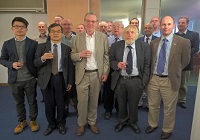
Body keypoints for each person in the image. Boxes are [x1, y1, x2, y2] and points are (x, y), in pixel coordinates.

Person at [146, 16, 191, 139]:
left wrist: (174, 71)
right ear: (160, 26)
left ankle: (167, 129)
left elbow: (186, 60)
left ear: (173, 25)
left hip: (170, 80)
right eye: (163, 24)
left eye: (169, 24)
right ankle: (153, 124)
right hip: (154, 78)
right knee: (153, 105)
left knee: (169, 108)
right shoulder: (154, 43)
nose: (166, 27)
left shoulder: (183, 42)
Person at [71, 12, 110, 136]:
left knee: (94, 100)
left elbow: (106, 56)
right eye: (88, 21)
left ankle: (92, 122)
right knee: (81, 102)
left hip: (96, 75)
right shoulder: (76, 37)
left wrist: (105, 71)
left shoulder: (102, 37)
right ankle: (81, 123)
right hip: (82, 75)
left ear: (96, 23)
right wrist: (80, 55)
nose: (90, 23)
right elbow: (72, 55)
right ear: (84, 21)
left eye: (93, 21)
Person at [0, 17, 39, 134]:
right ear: (12, 29)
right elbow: (2, 59)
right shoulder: (7, 44)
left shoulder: (33, 43)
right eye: (16, 26)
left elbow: (36, 60)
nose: (19, 29)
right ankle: (22, 121)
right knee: (19, 102)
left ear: (26, 29)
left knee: (32, 101)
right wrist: (12, 64)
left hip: (30, 78)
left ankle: (33, 120)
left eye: (22, 27)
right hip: (15, 79)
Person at [34, 23, 74, 136]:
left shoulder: (67, 48)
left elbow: (70, 66)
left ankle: (61, 124)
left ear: (61, 33)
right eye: (53, 31)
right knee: (49, 104)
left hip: (61, 78)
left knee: (61, 104)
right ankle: (51, 124)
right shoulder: (41, 47)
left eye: (58, 31)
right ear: (49, 33)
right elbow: (35, 63)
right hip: (46, 79)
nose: (56, 33)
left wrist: (70, 81)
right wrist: (42, 58)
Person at [110, 24, 150, 134]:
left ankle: (133, 122)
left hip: (136, 80)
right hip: (120, 79)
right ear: (123, 34)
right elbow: (111, 61)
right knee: (121, 103)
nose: (129, 35)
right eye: (127, 32)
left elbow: (147, 65)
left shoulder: (144, 46)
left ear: (136, 34)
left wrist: (143, 82)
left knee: (134, 104)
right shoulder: (115, 46)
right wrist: (117, 64)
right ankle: (122, 121)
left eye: (132, 32)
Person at [175, 16, 199, 108]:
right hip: (174, 63)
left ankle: (182, 100)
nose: (180, 24)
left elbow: (196, 48)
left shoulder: (194, 35)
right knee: (174, 82)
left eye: (182, 23)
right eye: (179, 22)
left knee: (183, 83)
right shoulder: (174, 36)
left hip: (187, 63)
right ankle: (174, 98)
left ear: (187, 24)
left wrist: (184, 54)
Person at [104, 21, 124, 120]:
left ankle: (119, 108)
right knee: (108, 90)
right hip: (109, 68)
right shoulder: (107, 39)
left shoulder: (126, 40)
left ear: (122, 29)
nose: (116, 29)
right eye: (114, 27)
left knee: (120, 90)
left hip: (121, 68)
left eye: (119, 27)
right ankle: (108, 109)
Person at [137, 23, 158, 109]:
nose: (147, 29)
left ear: (153, 29)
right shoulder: (139, 40)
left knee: (151, 86)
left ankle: (150, 105)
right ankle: (139, 102)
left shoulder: (157, 40)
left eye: (150, 28)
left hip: (153, 66)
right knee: (140, 84)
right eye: (145, 28)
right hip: (141, 66)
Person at [61, 18, 77, 116]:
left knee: (74, 90)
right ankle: (65, 109)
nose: (67, 26)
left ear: (72, 26)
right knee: (63, 89)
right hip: (62, 68)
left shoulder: (77, 38)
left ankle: (77, 109)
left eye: (69, 24)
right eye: (64, 24)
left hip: (75, 67)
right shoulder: (58, 38)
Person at [33, 21, 48, 103]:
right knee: (41, 81)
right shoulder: (34, 40)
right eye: (39, 27)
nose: (41, 28)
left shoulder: (50, 38)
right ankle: (44, 97)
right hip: (40, 64)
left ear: (46, 27)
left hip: (49, 63)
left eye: (43, 26)